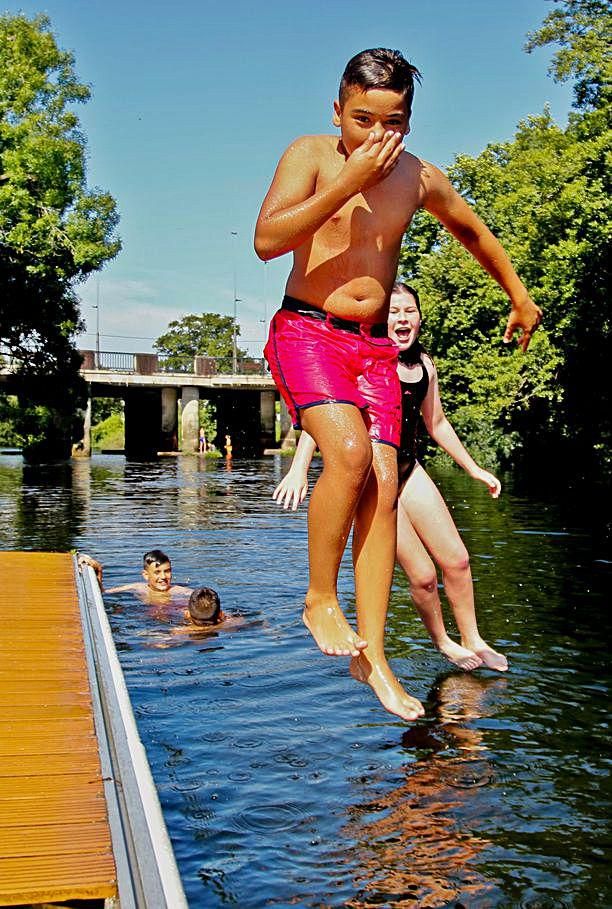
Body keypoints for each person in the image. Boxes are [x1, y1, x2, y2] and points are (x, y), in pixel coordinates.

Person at [254, 48, 540, 721]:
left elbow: (470, 228)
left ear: (408, 120)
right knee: (349, 457)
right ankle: (320, 596)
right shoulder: (314, 156)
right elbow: (267, 239)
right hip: (308, 331)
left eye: (393, 124)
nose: (377, 137)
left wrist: (519, 296)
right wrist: (345, 180)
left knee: (382, 491)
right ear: (337, 111)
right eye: (362, 120)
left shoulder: (416, 177)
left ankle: (374, 656)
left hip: (374, 346)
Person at [275, 282, 508, 674]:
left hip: (409, 468)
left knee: (459, 561)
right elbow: (324, 419)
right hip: (374, 479)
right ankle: (444, 642)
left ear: (419, 318)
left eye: (409, 311)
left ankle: (473, 638)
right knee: (423, 577)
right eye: (394, 311)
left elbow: (436, 422)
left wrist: (474, 468)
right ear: (382, 319)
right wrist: (299, 468)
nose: (402, 318)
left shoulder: (424, 365)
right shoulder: (363, 360)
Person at [78, 549, 193, 605]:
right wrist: (99, 569)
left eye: (167, 571)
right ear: (145, 575)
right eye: (157, 572)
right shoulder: (138, 588)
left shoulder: (179, 591)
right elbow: (103, 593)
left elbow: (204, 599)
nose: (163, 576)